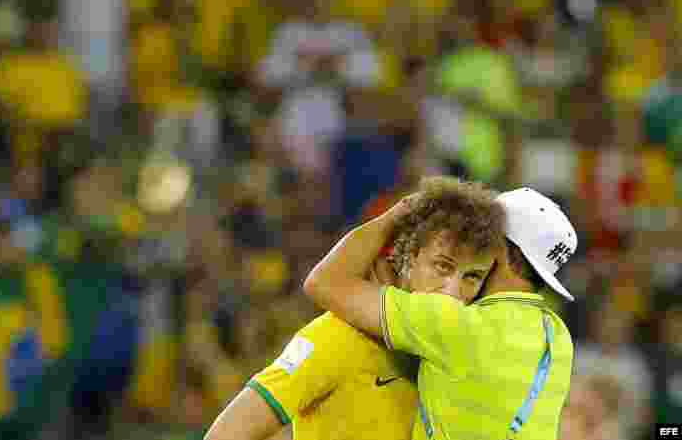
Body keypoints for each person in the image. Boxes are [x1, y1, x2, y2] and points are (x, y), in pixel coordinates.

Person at [205, 176, 507, 440]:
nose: (453, 292)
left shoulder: (454, 355)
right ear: (408, 258)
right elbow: (226, 434)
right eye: (442, 266)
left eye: (472, 277)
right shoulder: (335, 337)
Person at [302, 186, 577, 440]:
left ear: (498, 251)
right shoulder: (559, 338)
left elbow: (324, 282)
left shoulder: (452, 322)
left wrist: (395, 216)